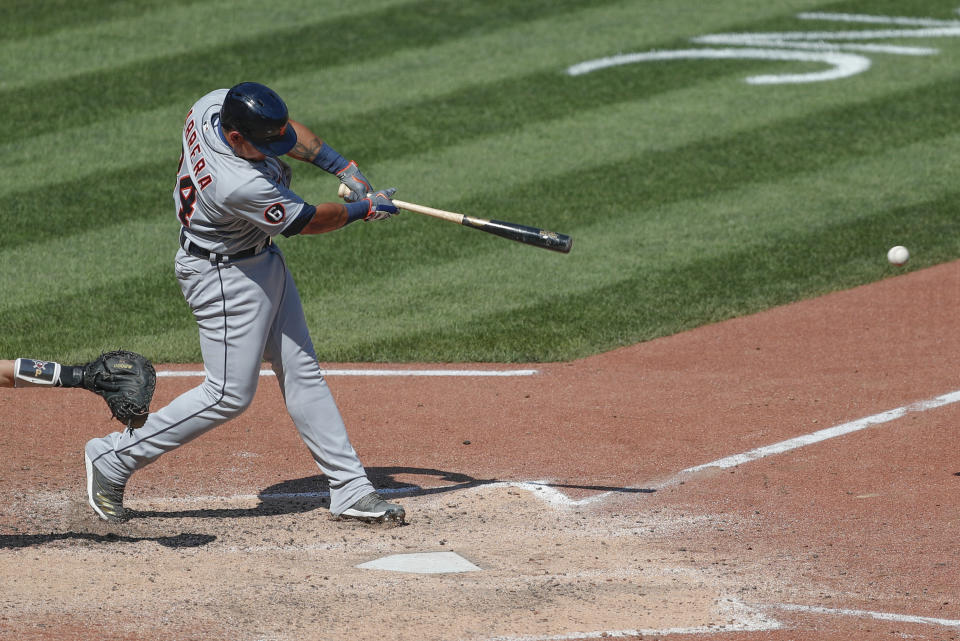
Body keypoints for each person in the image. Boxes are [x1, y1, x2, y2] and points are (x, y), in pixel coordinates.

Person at [83, 81, 405, 524]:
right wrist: (364, 209)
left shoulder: (212, 105)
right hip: (223, 276)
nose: (275, 148)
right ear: (234, 139)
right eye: (262, 144)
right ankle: (113, 457)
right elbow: (308, 221)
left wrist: (343, 168)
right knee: (227, 395)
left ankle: (349, 487)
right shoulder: (237, 184)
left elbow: (282, 128)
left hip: (256, 257)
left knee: (300, 368)